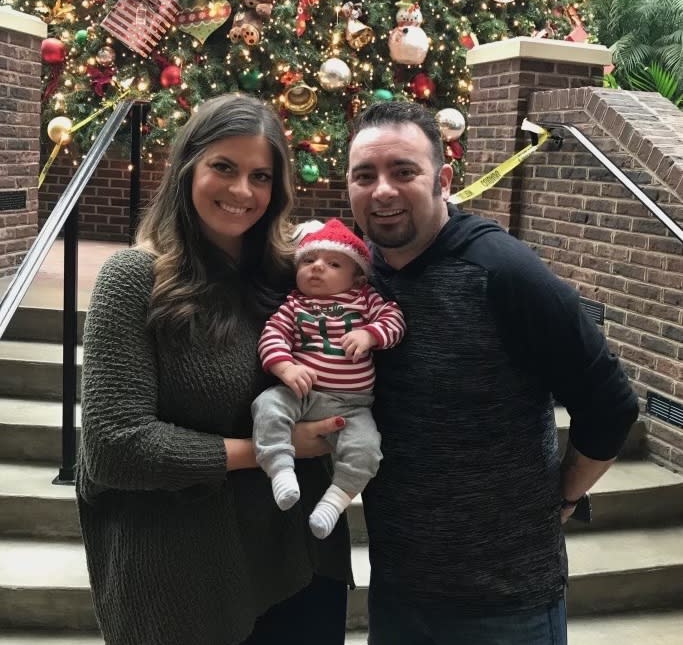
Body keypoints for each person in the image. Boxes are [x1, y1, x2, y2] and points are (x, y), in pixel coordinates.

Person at [346, 100, 640, 645]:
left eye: (403, 171)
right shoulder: (358, 273)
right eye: (365, 175)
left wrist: (565, 496)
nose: (382, 190)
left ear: (443, 179)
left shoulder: (504, 272)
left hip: (506, 606)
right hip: (397, 590)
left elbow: (611, 403)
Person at [76, 94, 351, 645]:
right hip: (184, 577)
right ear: (186, 168)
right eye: (223, 167)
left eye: (261, 176)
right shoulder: (134, 279)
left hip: (299, 562)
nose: (242, 191)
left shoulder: (289, 281)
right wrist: (276, 448)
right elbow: (113, 445)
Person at [252, 218, 405, 540]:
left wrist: (370, 334)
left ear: (357, 276)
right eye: (308, 260)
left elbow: (394, 318)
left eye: (333, 263)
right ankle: (280, 469)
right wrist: (286, 368)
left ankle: (334, 502)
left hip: (352, 406)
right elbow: (272, 336)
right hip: (302, 393)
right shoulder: (294, 305)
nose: (317, 267)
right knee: (266, 406)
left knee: (367, 449)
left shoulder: (365, 299)